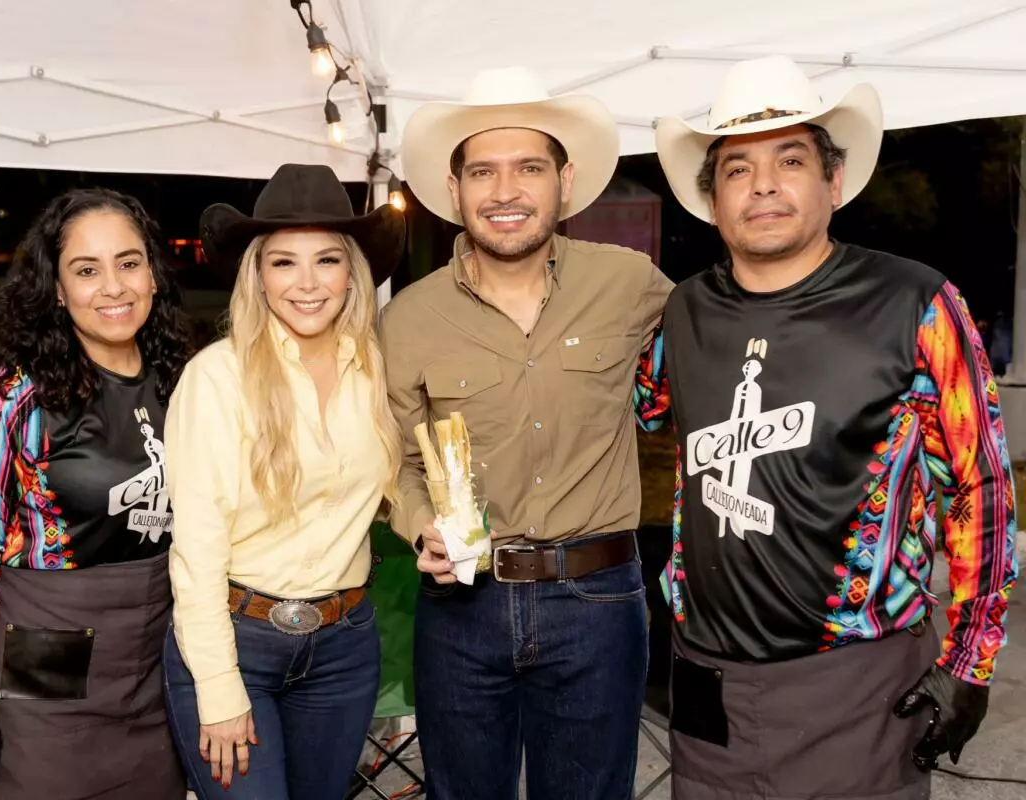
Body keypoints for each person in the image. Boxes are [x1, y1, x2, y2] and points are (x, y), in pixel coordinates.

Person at [640, 55, 1019, 799]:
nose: (763, 185)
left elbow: (981, 487)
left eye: (790, 160)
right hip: (707, 685)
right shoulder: (684, 312)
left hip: (859, 691)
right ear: (712, 198)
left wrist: (970, 663)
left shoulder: (914, 304)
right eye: (738, 168)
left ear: (834, 182)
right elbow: (636, 407)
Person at [380, 66, 673, 800]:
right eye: (483, 171)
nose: (505, 191)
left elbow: (724, 339)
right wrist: (419, 526)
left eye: (529, 168)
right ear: (454, 189)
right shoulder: (407, 320)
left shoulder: (630, 284)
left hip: (599, 602)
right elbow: (392, 460)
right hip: (463, 607)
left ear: (565, 181)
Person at [0, 187, 194, 799]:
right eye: (86, 270)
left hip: (157, 660)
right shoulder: (13, 397)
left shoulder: (184, 380)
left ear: (153, 275)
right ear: (55, 288)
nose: (113, 287)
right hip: (48, 662)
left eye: (128, 263)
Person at [161, 164, 405, 800]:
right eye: (283, 262)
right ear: (258, 276)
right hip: (237, 642)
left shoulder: (376, 371)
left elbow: (398, 486)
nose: (307, 283)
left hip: (345, 647)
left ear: (351, 271)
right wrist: (218, 687)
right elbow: (197, 550)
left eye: (326, 260)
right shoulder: (218, 378)